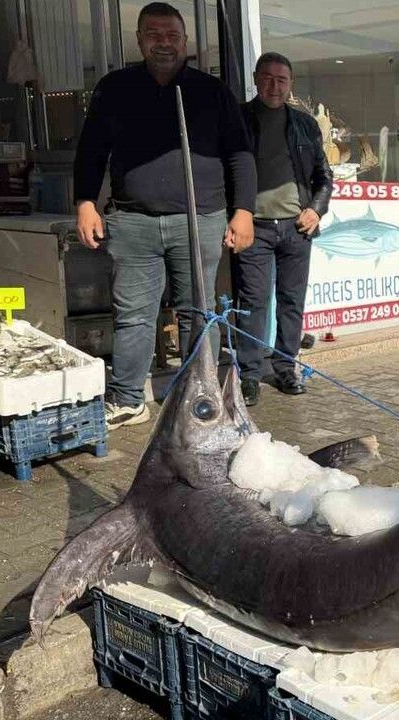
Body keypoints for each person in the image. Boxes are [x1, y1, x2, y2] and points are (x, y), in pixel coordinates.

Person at [74, 1, 255, 429]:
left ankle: (200, 398)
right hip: (132, 223)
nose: (164, 43)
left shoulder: (211, 92)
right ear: (139, 39)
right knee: (134, 313)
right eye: (154, 34)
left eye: (173, 35)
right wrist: (85, 202)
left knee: (199, 310)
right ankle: (127, 398)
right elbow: (91, 151)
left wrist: (244, 210)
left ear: (185, 42)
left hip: (200, 219)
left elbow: (240, 155)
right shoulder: (114, 88)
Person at [233, 52, 332, 405]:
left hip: (296, 229)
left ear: (290, 84)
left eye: (282, 80)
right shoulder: (238, 118)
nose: (274, 86)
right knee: (253, 303)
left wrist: (316, 210)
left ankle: (286, 367)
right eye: (268, 78)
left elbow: (324, 175)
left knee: (292, 302)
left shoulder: (304, 124)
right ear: (256, 79)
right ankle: (248, 375)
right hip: (253, 229)